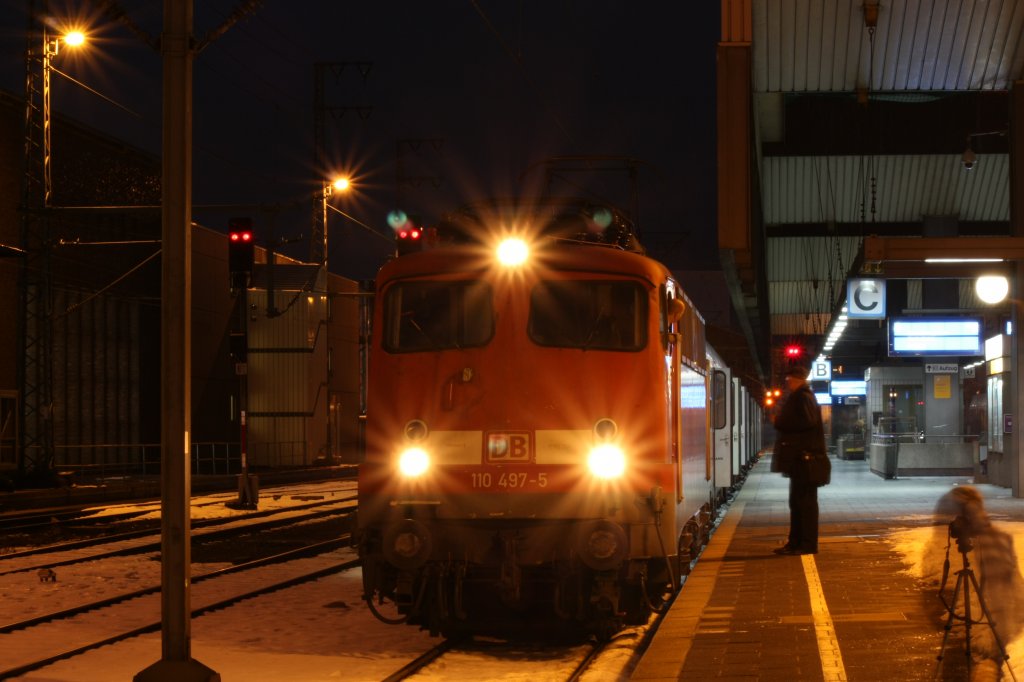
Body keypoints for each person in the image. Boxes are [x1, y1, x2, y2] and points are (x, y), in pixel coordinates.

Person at [771, 365, 827, 555]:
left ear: (796, 379)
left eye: (789, 380)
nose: (788, 384)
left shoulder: (803, 396)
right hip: (801, 460)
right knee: (797, 503)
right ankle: (795, 542)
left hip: (805, 460)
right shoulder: (803, 396)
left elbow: (807, 421)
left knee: (804, 504)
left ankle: (807, 544)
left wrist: (781, 421)